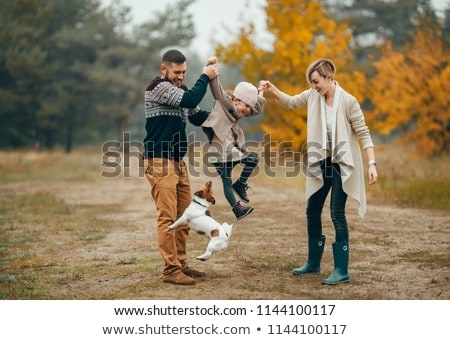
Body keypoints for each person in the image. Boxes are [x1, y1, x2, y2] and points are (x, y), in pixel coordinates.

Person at [260, 58, 378, 285]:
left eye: (316, 82)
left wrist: (372, 163)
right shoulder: (314, 96)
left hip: (342, 166)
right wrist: (271, 88)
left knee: (336, 213)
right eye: (311, 83)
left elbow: (364, 133)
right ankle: (313, 264)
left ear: (329, 78)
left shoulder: (349, 102)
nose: (314, 86)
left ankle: (341, 271)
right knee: (312, 210)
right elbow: (291, 102)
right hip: (321, 163)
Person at [143, 49, 219, 285]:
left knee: (186, 216)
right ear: (163, 69)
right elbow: (189, 100)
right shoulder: (157, 88)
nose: (180, 76)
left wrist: (228, 113)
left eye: (184, 72)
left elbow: (197, 116)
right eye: (177, 72)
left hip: (177, 162)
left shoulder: (181, 90)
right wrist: (205, 76)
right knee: (167, 218)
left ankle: (181, 265)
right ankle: (170, 270)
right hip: (159, 161)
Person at [201, 57, 266, 220]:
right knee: (229, 180)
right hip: (220, 151)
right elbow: (216, 87)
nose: (245, 110)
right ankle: (238, 203)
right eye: (243, 104)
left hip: (232, 150)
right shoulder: (225, 103)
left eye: (247, 108)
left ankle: (240, 189)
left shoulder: (241, 109)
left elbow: (256, 109)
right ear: (235, 99)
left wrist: (261, 91)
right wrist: (211, 67)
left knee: (250, 162)